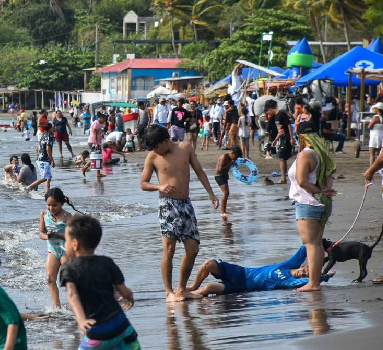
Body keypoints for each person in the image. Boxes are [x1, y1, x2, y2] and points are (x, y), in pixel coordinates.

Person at [60, 215, 187, 350]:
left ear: (75, 244)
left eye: (66, 239)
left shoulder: (69, 268)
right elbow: (125, 291)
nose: (64, 244)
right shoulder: (107, 263)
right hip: (122, 328)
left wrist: (81, 321)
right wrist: (129, 299)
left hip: (97, 333)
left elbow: (72, 296)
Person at [141, 125, 219, 302]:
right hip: (167, 204)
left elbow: (199, 171)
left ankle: (182, 289)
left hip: (186, 204)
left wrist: (211, 193)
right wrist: (159, 186)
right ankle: (169, 292)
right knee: (169, 248)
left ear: (166, 141)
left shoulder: (185, 148)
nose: (155, 151)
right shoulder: (153, 157)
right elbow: (143, 183)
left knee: (193, 249)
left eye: (156, 147)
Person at [289, 121, 336, 293]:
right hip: (322, 203)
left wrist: (319, 190)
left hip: (307, 202)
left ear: (301, 137)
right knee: (316, 243)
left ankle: (313, 283)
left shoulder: (306, 155)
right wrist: (325, 190)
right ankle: (314, 280)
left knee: (312, 244)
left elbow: (302, 181)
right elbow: (331, 175)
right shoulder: (323, 153)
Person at [188, 245, 331, 296]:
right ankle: (192, 286)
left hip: (242, 286)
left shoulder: (290, 281)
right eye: (306, 270)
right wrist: (323, 245)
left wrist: (324, 277)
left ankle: (192, 295)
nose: (303, 273)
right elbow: (305, 247)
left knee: (207, 289)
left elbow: (311, 281)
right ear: (304, 265)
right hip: (241, 272)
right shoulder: (288, 264)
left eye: (305, 275)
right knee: (208, 264)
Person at [39, 188, 76, 308]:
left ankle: (77, 303)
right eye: (48, 205)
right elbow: (41, 233)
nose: (51, 208)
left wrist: (56, 235)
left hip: (66, 250)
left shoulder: (67, 216)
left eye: (55, 205)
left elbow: (71, 237)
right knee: (50, 278)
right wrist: (47, 236)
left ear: (62, 203)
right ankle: (57, 308)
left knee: (69, 280)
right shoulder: (44, 214)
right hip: (53, 251)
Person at [265, 99, 292, 183]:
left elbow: (289, 126)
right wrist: (275, 140)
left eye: (267, 112)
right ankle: (283, 178)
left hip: (286, 137)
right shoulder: (275, 117)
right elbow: (280, 130)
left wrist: (291, 138)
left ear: (270, 109)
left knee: (282, 157)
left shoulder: (282, 114)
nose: (268, 114)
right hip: (281, 137)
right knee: (281, 158)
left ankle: (284, 178)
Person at [215, 146, 242, 219]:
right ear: (232, 153)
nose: (235, 159)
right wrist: (231, 163)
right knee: (225, 192)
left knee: (227, 193)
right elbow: (220, 169)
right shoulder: (224, 157)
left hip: (224, 176)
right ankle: (222, 212)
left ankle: (224, 211)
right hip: (219, 176)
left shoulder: (230, 158)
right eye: (235, 157)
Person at [28, 123, 54, 192]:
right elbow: (48, 149)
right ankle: (28, 188)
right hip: (44, 160)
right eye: (52, 128)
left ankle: (47, 192)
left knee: (48, 177)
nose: (53, 129)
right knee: (45, 178)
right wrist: (52, 160)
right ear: (50, 129)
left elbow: (38, 148)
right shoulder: (49, 137)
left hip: (40, 159)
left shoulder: (42, 136)